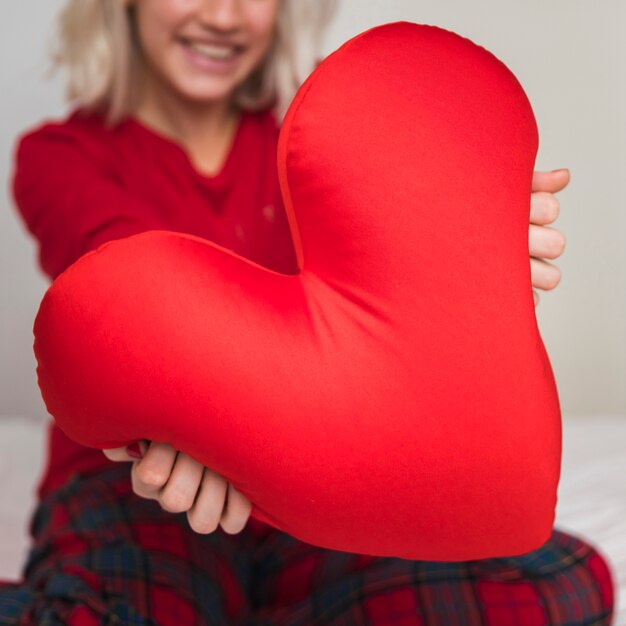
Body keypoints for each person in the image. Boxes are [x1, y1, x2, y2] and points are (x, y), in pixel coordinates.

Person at [0, 1, 615, 624]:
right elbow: (115, 288)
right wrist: (189, 402)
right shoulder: (62, 155)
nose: (224, 15)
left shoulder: (329, 137)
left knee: (554, 587)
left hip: (328, 473)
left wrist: (467, 271)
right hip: (140, 479)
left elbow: (392, 322)